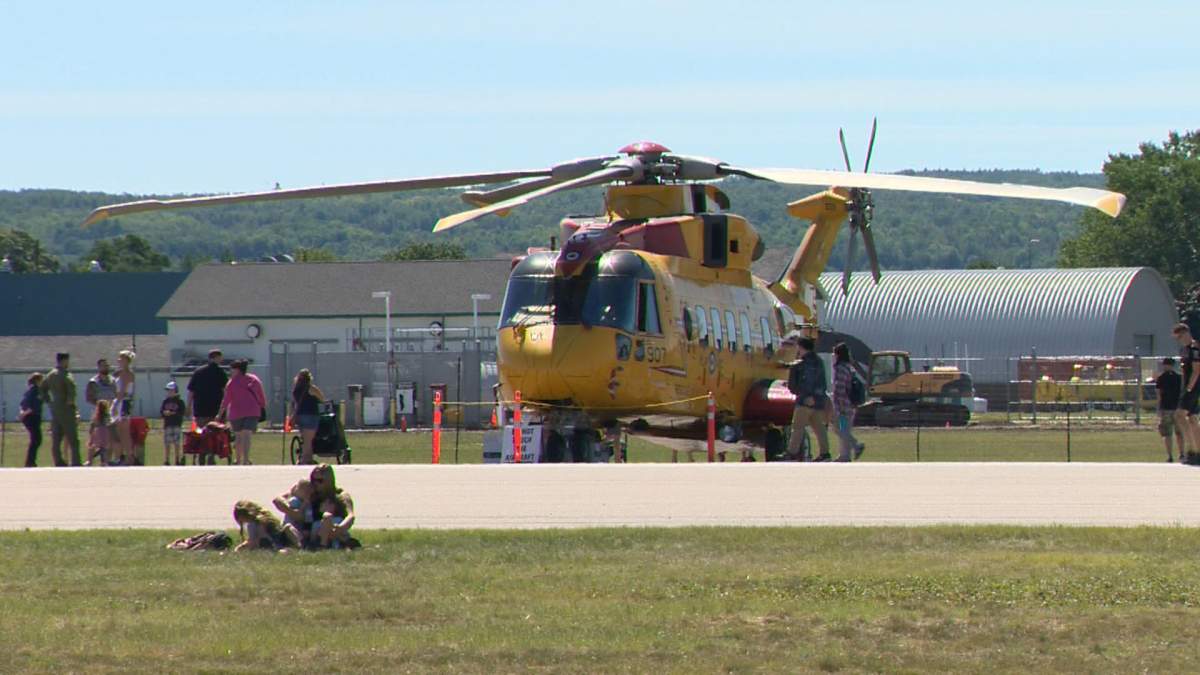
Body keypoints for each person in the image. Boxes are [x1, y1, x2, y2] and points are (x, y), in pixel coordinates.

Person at [786, 336, 831, 462]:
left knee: (798, 428)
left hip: (804, 401)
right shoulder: (819, 361)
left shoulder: (801, 364)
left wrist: (805, 396)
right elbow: (822, 383)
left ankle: (792, 452)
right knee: (819, 428)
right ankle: (825, 453)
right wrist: (817, 397)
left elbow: (799, 384)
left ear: (801, 347)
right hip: (818, 402)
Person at [218, 359, 267, 465]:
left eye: (232, 369)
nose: (231, 371)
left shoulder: (232, 382)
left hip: (236, 412)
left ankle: (238, 459)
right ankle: (246, 459)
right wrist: (262, 405)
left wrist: (220, 413)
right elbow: (260, 395)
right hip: (252, 411)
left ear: (237, 370)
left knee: (238, 436)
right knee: (247, 435)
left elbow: (226, 399)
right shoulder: (254, 380)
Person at [39, 352, 81, 467]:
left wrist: (48, 401)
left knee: (57, 437)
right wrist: (71, 403)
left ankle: (58, 460)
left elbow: (42, 389)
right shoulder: (65, 375)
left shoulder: (50, 375)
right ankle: (76, 461)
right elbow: (71, 391)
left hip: (55, 408)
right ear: (64, 360)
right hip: (66, 408)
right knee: (73, 437)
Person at [188, 349, 228, 465]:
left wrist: (189, 405)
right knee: (215, 434)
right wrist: (225, 407)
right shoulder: (220, 372)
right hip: (215, 409)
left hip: (200, 409)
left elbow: (191, 391)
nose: (221, 360)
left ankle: (202, 454)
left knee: (202, 433)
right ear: (215, 358)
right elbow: (225, 390)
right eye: (220, 357)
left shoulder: (198, 372)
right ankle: (211, 455)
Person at [831, 343, 866, 462]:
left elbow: (840, 388)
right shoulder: (849, 367)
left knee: (839, 429)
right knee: (845, 429)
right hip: (851, 404)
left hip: (843, 405)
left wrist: (839, 404)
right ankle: (844, 456)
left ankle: (856, 445)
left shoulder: (840, 368)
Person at [310, 463, 357, 549]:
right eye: (313, 480)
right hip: (317, 530)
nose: (316, 484)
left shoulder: (341, 496)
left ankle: (332, 545)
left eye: (320, 481)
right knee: (325, 518)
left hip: (336, 527)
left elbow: (351, 516)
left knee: (332, 519)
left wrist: (340, 528)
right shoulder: (311, 494)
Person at [1173, 324, 1200, 463]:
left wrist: (1189, 388)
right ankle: (1197, 451)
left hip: (1193, 387)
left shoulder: (1195, 348)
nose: (1180, 340)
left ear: (1187, 333)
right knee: (1193, 419)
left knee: (1179, 415)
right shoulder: (1183, 350)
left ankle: (1192, 450)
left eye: (1180, 336)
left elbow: (1196, 370)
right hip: (1187, 387)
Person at [290, 369, 325, 464]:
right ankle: (305, 459)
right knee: (308, 440)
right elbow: (322, 398)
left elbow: (294, 404)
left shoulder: (296, 390)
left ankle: (308, 458)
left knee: (305, 438)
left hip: (300, 415)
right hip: (311, 414)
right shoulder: (311, 388)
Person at [1154, 357, 1184, 462]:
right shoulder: (1179, 377)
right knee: (1179, 433)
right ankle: (1182, 454)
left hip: (1166, 408)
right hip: (1177, 408)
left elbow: (1159, 394)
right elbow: (1182, 393)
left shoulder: (1161, 378)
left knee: (1167, 434)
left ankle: (1170, 456)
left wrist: (1158, 409)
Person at [111, 349, 137, 465]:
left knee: (124, 431)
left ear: (126, 361)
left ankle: (129, 457)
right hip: (121, 401)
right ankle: (121, 457)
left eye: (121, 359)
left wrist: (115, 405)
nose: (119, 360)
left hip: (123, 403)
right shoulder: (120, 373)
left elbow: (122, 391)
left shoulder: (127, 374)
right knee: (119, 432)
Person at [272, 479, 316, 548]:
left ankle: (304, 542)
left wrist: (307, 530)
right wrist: (303, 506)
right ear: (297, 490)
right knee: (288, 527)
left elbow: (308, 518)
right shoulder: (294, 501)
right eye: (305, 491)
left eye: (309, 492)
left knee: (302, 532)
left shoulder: (308, 505)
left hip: (300, 529)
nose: (307, 494)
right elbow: (297, 515)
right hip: (288, 529)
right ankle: (300, 544)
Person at [18, 373, 44, 468]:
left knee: (35, 439)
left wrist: (22, 413)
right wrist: (24, 414)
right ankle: (30, 462)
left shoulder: (29, 391)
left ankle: (30, 461)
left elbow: (22, 404)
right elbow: (31, 406)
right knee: (36, 439)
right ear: (37, 380)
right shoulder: (35, 391)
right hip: (32, 417)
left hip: (29, 416)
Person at [84, 358, 117, 422]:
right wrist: (101, 406)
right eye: (104, 366)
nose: (106, 367)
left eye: (107, 366)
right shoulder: (93, 382)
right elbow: (88, 398)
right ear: (99, 367)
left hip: (111, 412)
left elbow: (116, 395)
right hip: (98, 413)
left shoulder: (113, 381)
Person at [161, 381, 185, 465]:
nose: (169, 392)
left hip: (176, 424)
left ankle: (177, 459)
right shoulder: (165, 401)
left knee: (177, 443)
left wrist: (173, 413)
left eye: (171, 390)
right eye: (168, 390)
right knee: (167, 443)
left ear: (175, 391)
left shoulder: (180, 401)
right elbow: (161, 411)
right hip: (167, 425)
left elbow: (182, 412)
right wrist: (165, 413)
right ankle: (166, 460)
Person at [87, 399, 112, 466]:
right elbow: (109, 423)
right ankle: (102, 461)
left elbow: (93, 424)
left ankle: (94, 459)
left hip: (98, 431)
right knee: (103, 448)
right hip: (104, 432)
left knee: (100, 447)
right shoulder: (107, 415)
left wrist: (91, 432)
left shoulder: (96, 415)